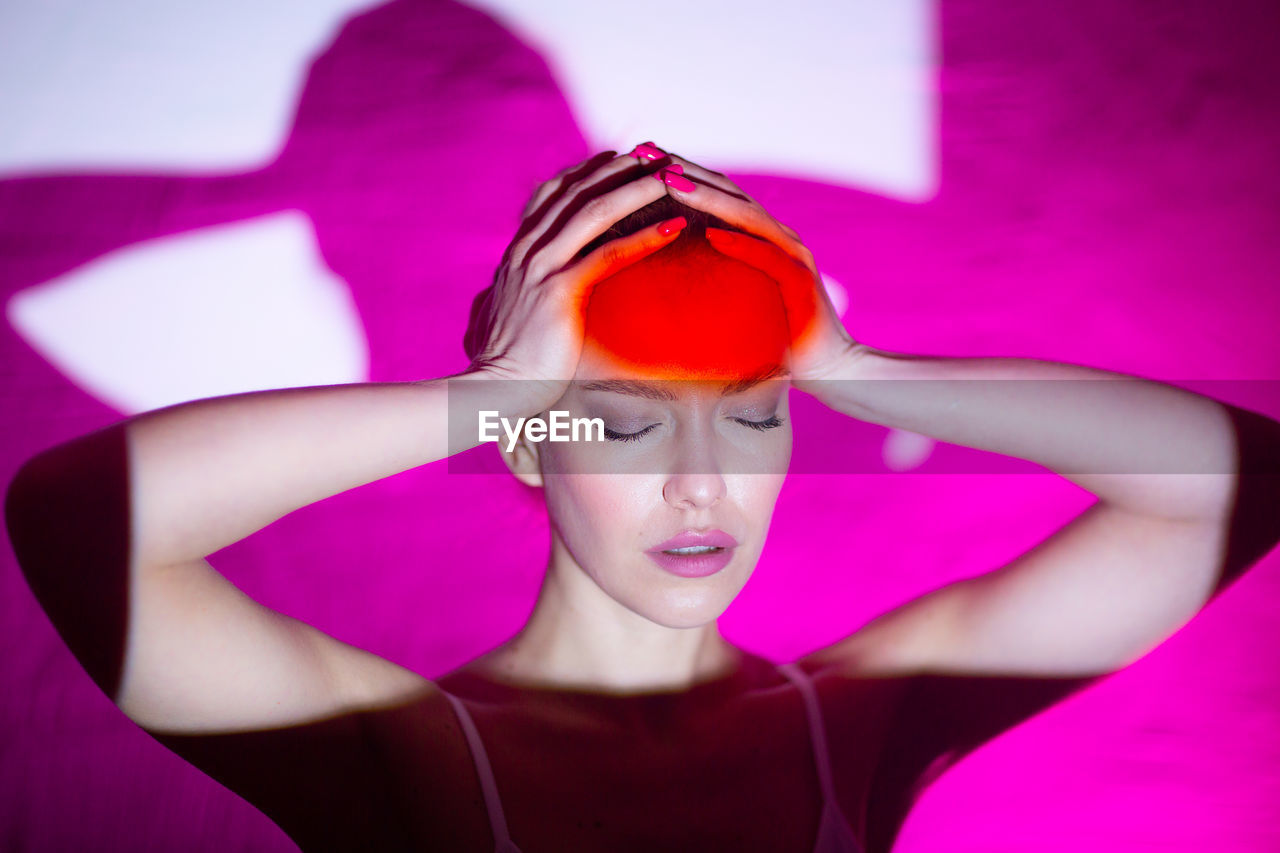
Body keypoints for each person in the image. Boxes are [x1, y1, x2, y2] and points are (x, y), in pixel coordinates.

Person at [6, 142, 1278, 853]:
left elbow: (1236, 482)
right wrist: (492, 391)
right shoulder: (405, 757)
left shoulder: (856, 723)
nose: (700, 484)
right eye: (617, 424)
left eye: (755, 413)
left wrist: (850, 367)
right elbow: (78, 519)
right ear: (523, 445)